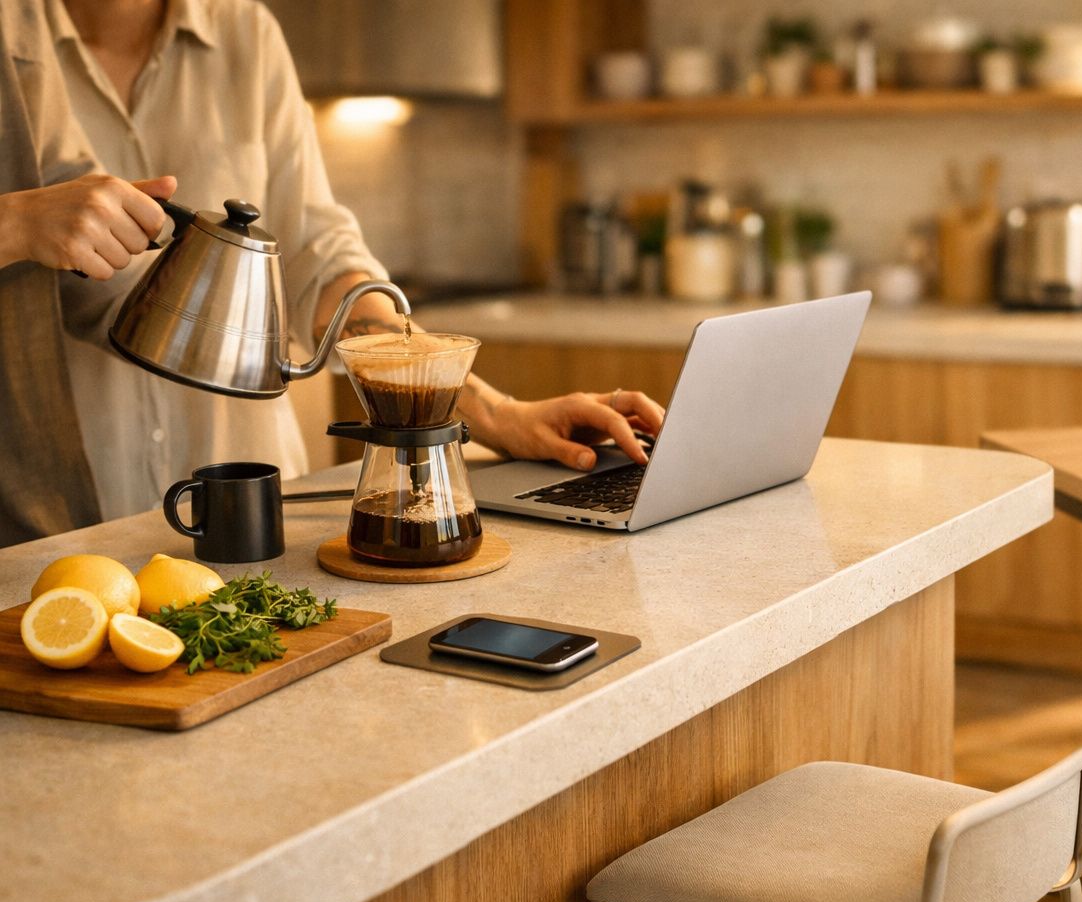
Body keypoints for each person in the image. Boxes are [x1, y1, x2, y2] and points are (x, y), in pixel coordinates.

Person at [48, 0, 664, 520]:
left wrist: (496, 414)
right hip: (67, 506)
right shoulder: (19, 43)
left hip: (251, 503)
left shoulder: (245, 31)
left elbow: (322, 261)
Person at [0, 0, 173, 544]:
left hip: (24, 483)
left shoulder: (20, 13)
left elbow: (57, 180)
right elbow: (32, 215)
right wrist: (15, 223)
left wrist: (191, 307)